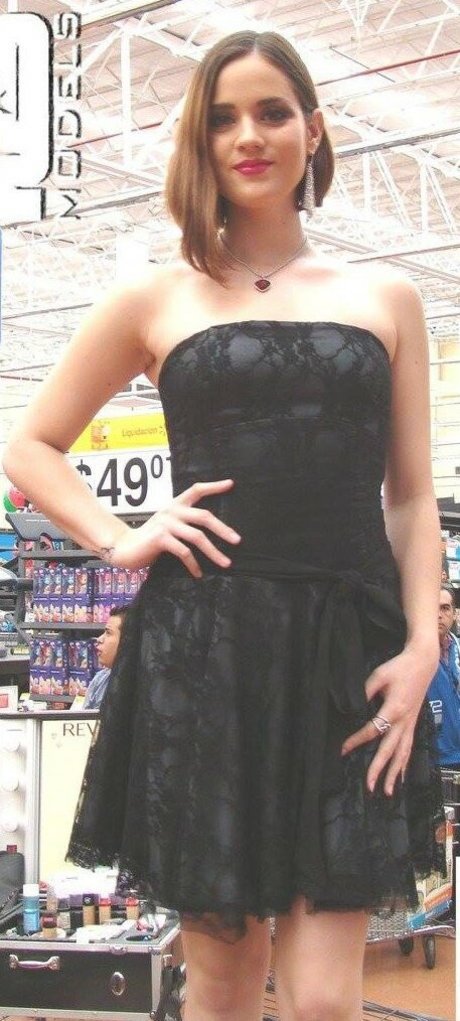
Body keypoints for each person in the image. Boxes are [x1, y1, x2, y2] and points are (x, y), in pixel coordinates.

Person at [3, 30, 443, 1021]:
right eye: (223, 118)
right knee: (225, 982)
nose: (249, 136)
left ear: (313, 130)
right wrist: (120, 536)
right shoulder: (154, 296)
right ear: (198, 142)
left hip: (349, 655)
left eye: (272, 112)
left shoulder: (387, 297)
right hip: (207, 654)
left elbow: (411, 498)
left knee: (324, 998)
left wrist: (423, 645)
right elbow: (30, 445)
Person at [427, 585, 460, 768]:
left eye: (445, 608)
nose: (438, 615)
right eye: (432, 608)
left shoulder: (457, 649)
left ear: (454, 614)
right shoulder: (411, 656)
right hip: (432, 760)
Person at [81, 605, 130, 710]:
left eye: (108, 633)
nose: (99, 639)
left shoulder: (149, 686)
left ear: (127, 641)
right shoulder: (100, 679)